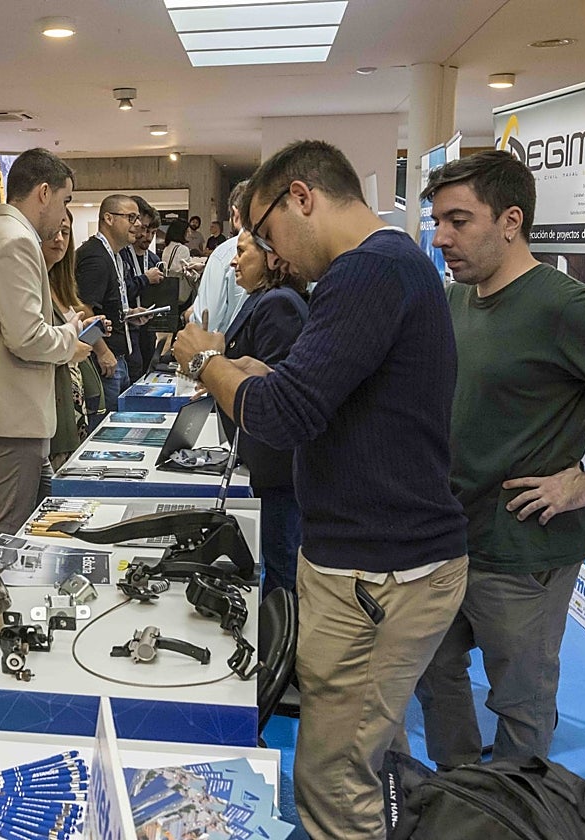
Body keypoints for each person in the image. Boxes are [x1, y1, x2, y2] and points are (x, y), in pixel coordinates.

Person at [172, 140, 468, 840]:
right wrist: (255, 374)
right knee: (368, 764)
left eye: (269, 235)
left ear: (301, 197)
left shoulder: (364, 272)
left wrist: (206, 360)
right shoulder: (388, 266)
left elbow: (285, 415)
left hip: (379, 571)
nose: (274, 258)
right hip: (373, 561)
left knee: (334, 786)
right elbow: (329, 396)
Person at [415, 150, 585, 770]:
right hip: (446, 542)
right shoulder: (455, 301)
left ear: (510, 221)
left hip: (523, 554)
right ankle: (461, 803)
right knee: (434, 677)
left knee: (522, 704)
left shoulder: (563, 306)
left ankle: (515, 812)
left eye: (458, 220)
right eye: (438, 221)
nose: (442, 237)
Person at [0, 148, 91, 546]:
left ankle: (22, 608)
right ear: (43, 192)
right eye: (65, 202)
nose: (64, 217)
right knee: (6, 535)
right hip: (9, 415)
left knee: (38, 525)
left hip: (1, 410)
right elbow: (27, 338)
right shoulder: (16, 241)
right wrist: (70, 337)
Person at [220, 229, 307, 594]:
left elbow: (275, 390)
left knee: (283, 560)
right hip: (268, 463)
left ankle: (282, 643)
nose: (233, 260)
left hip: (279, 466)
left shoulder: (277, 304)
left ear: (271, 256)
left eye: (242, 251)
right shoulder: (259, 299)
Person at [76, 194, 150, 411]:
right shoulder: (95, 257)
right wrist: (102, 352)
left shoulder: (116, 255)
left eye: (137, 219)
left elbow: (106, 304)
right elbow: (83, 310)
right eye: (131, 218)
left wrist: (130, 314)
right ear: (108, 218)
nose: (137, 225)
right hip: (106, 361)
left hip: (119, 357)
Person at [45, 209, 105, 467]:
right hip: (53, 398)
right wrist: (70, 348)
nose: (59, 239)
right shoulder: (31, 284)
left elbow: (63, 331)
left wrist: (85, 326)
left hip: (75, 393)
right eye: (52, 232)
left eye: (66, 232)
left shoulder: (61, 283)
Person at [190, 181, 248, 334]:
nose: (235, 261)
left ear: (235, 215)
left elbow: (207, 320)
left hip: (229, 349)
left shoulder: (224, 253)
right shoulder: (286, 250)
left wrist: (190, 316)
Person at [120, 195, 165, 375]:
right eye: (145, 230)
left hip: (149, 329)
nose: (148, 237)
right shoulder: (122, 255)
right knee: (134, 370)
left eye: (153, 232)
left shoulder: (154, 259)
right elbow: (123, 290)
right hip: (128, 327)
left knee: (148, 368)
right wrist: (145, 279)